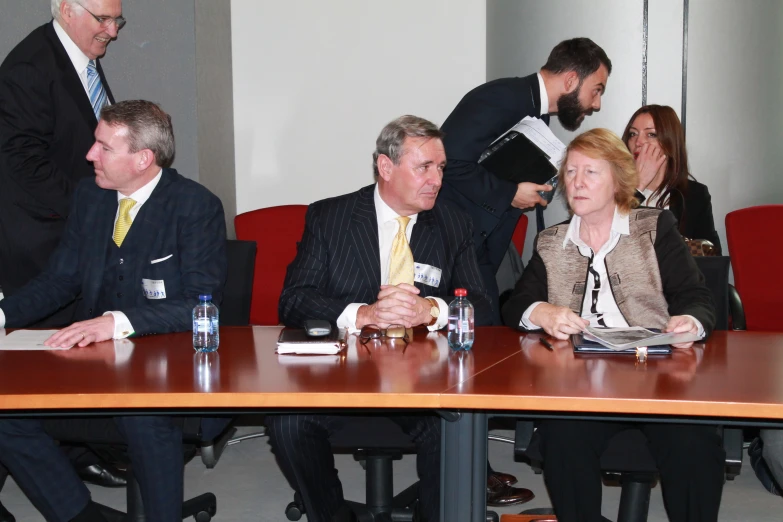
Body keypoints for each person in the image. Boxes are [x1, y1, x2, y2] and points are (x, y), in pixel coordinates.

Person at [0, 100, 227, 522]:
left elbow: (202, 303)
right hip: (92, 362)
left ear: (143, 159)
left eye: (103, 147)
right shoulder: (91, 196)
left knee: (145, 419)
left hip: (165, 363)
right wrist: (1, 314)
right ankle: (78, 514)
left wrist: (115, 323)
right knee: (6, 413)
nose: (90, 155)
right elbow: (60, 280)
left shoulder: (194, 206)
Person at [268, 115, 493, 522]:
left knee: (451, 427)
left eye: (440, 168)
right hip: (343, 374)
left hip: (425, 378)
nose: (437, 180)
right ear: (385, 167)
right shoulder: (330, 217)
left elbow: (486, 304)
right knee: (288, 423)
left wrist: (433, 309)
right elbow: (294, 300)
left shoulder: (453, 224)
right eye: (424, 167)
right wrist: (364, 314)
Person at [502, 128, 724, 521]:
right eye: (570, 173)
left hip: (658, 380)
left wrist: (688, 321)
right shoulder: (552, 242)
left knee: (693, 439)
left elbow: (697, 296)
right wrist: (542, 312)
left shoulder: (654, 228)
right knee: (562, 437)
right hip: (581, 384)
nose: (577, 183)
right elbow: (515, 304)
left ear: (618, 180)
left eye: (591, 172)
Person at [0, 0, 126, 511]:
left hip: (68, 235)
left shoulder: (80, 59)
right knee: (34, 366)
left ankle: (71, 451)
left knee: (66, 352)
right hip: (40, 242)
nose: (113, 31)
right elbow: (20, 160)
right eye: (103, 19)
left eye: (118, 21)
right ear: (66, 9)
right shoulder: (30, 68)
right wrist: (91, 208)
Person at [438, 37, 612, 316]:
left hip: (478, 251)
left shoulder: (536, 112)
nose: (597, 104)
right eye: (596, 90)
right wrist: (510, 193)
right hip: (451, 251)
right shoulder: (501, 97)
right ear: (570, 81)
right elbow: (447, 161)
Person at [622, 104, 721, 252]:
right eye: (632, 134)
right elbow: (610, 237)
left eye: (651, 134)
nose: (638, 142)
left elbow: (712, 254)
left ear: (670, 142)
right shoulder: (614, 189)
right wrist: (639, 185)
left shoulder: (695, 194)